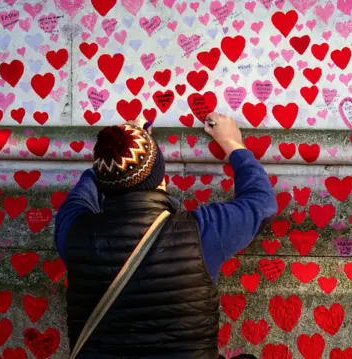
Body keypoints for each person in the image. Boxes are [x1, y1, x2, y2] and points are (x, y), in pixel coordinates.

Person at [54, 113, 277, 358]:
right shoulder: (201, 233)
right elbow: (262, 203)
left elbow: (83, 193)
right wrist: (233, 144)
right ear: (161, 176)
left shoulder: (73, 231)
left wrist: (116, 154)